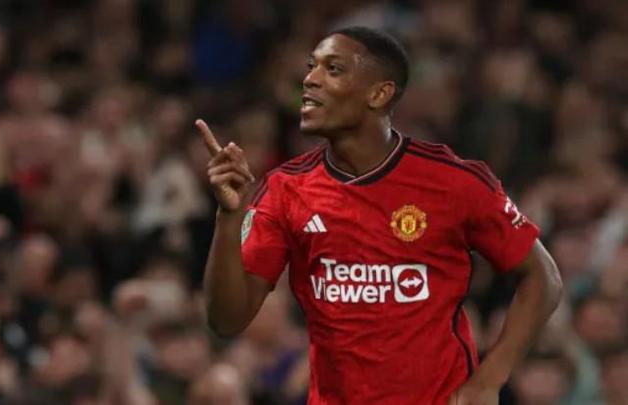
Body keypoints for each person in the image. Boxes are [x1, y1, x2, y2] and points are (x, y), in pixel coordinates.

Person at [197, 26, 563, 405]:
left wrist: (489, 379)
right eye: (311, 67)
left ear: (379, 93)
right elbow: (226, 320)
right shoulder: (285, 189)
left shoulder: (453, 182)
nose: (310, 79)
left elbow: (544, 278)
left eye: (333, 69)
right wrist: (229, 217)